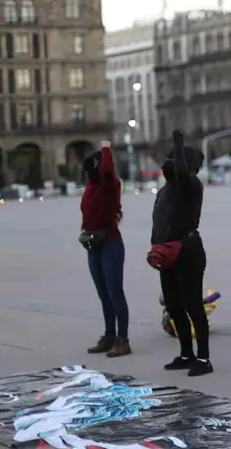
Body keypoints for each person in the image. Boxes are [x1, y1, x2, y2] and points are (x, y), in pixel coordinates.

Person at [153, 130, 213, 376]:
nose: (170, 163)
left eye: (175, 158)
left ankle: (204, 358)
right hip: (166, 254)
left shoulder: (190, 185)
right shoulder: (165, 190)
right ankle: (186, 353)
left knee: (193, 306)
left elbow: (179, 171)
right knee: (174, 305)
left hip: (188, 252)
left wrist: (177, 140)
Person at [80, 141, 131, 358]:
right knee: (103, 294)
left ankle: (123, 340)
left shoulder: (110, 184)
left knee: (115, 292)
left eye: (95, 164)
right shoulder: (91, 186)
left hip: (110, 243)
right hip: (94, 246)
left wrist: (106, 147)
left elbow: (108, 169)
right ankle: (109, 335)